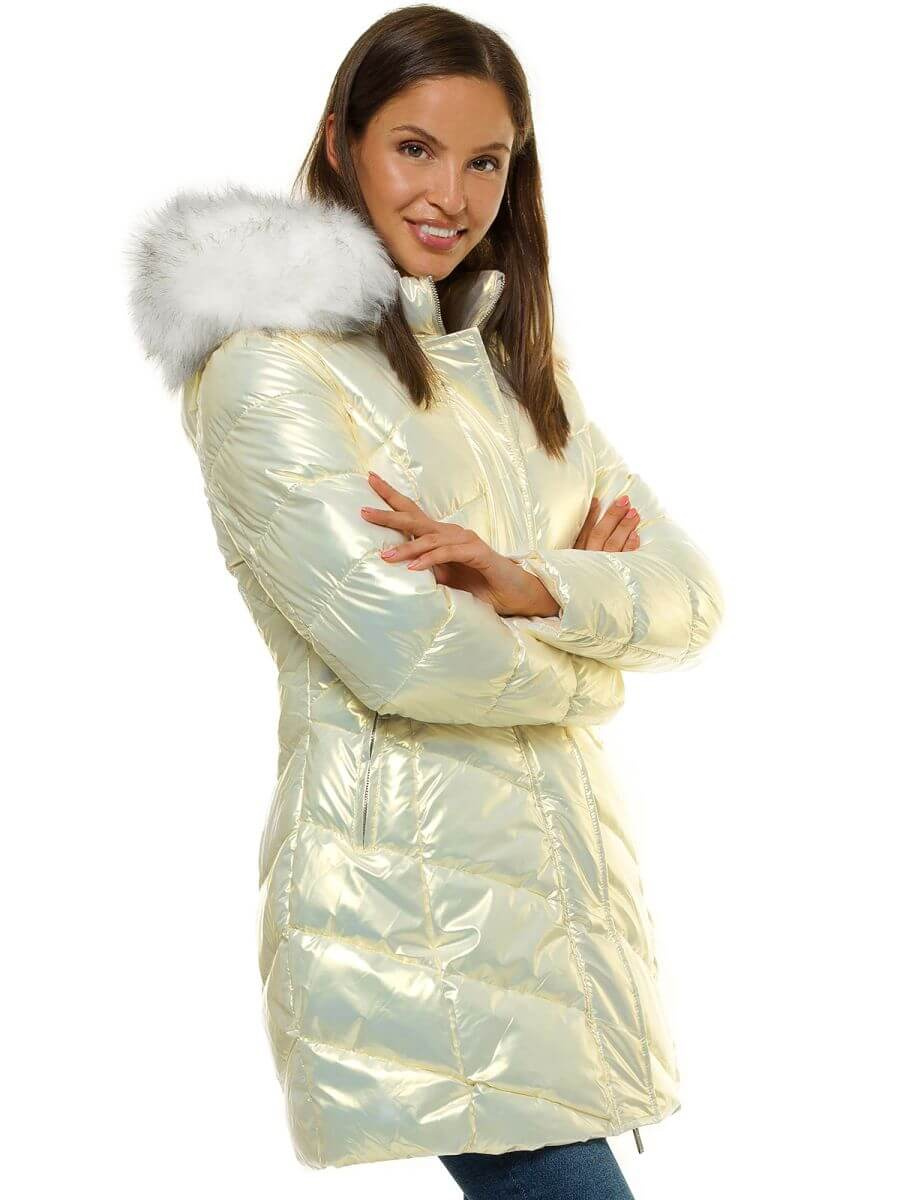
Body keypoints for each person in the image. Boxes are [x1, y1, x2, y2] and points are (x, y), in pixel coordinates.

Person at [126, 6, 724, 1196]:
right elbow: (405, 653)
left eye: (486, 160)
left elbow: (693, 597)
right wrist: (595, 663)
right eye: (415, 148)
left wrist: (530, 581)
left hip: (565, 901)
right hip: (416, 902)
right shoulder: (267, 370)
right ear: (340, 142)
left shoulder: (515, 372)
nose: (452, 194)